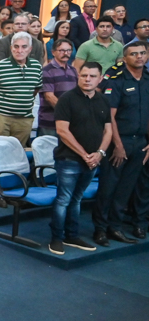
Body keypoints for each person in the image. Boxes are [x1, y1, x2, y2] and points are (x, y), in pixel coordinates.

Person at [48, 61, 110, 255]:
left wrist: (99, 154)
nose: (87, 79)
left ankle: (72, 236)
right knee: (63, 200)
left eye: (92, 76)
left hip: (93, 160)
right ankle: (56, 238)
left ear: (100, 79)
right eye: (84, 75)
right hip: (69, 159)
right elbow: (62, 131)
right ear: (78, 76)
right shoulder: (66, 99)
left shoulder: (103, 100)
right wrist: (84, 155)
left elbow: (108, 131)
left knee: (76, 199)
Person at [91, 40, 149, 245]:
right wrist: (118, 145)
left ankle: (115, 227)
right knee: (108, 188)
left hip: (140, 142)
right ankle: (100, 229)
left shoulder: (148, 80)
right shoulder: (117, 80)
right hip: (119, 141)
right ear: (124, 58)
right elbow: (110, 117)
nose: (139, 57)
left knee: (126, 189)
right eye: (134, 54)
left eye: (142, 53)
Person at [0, 31, 43, 206]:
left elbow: (35, 89)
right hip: (1, 117)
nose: (19, 50)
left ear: (30, 49)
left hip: (24, 119)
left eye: (23, 47)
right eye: (16, 47)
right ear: (11, 48)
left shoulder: (36, 67)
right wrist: (1, 105)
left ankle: (12, 190)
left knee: (16, 155)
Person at [38, 39, 78, 138]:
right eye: (61, 50)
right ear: (53, 52)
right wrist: (66, 113)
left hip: (69, 123)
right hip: (50, 122)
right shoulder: (46, 71)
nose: (66, 53)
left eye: (68, 50)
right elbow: (49, 97)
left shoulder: (73, 70)